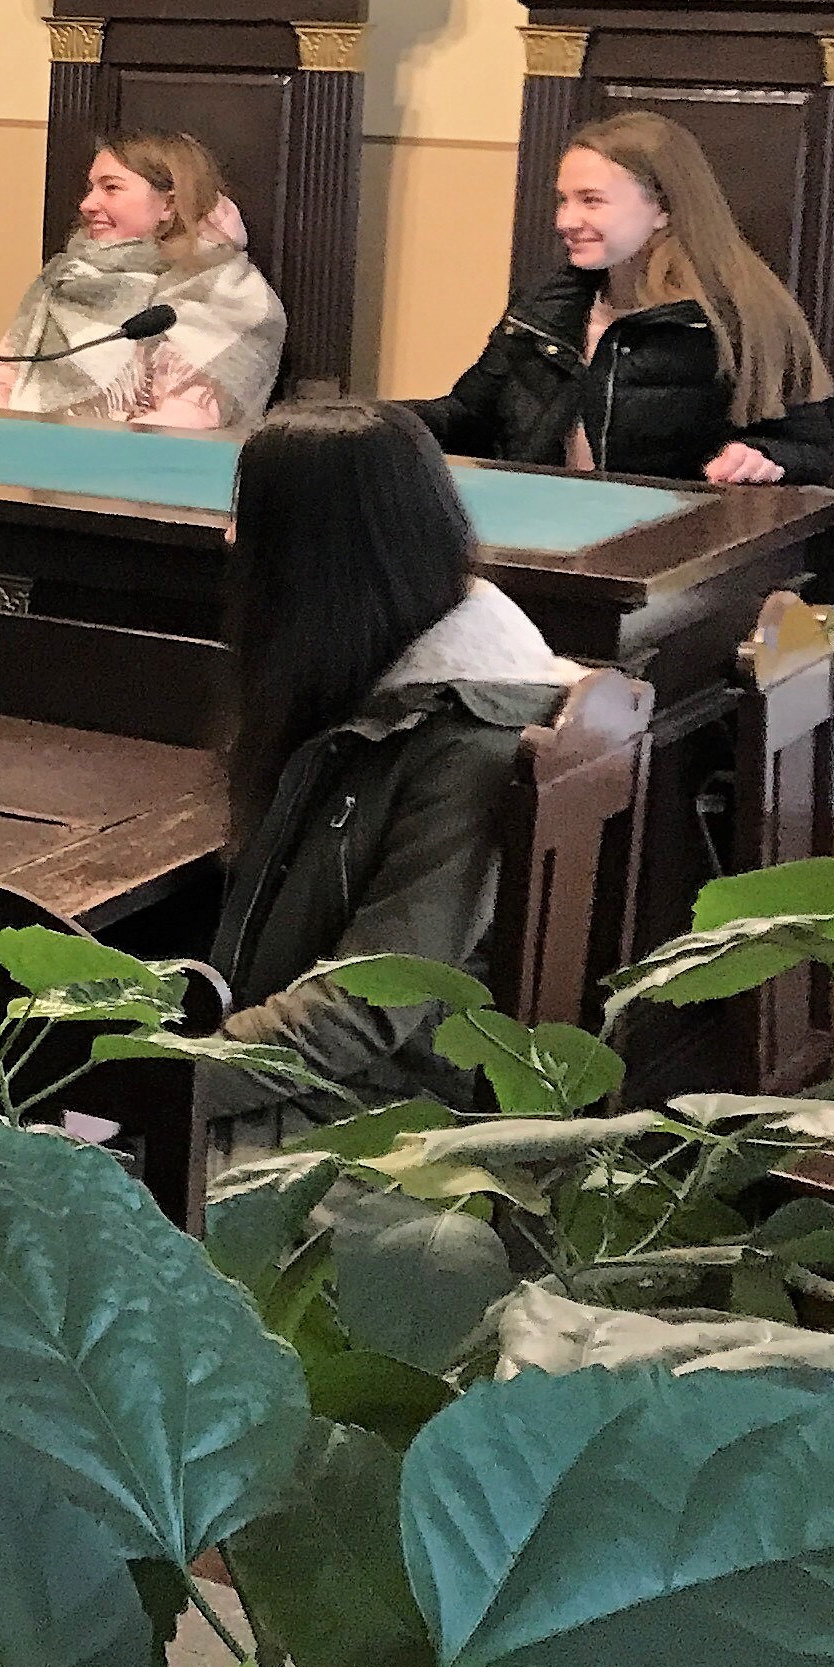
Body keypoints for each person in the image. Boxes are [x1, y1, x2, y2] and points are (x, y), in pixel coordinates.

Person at [197, 400, 584, 1147]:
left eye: (255, 521)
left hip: (381, 1121)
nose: (231, 538)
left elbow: (367, 1007)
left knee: (42, 1162)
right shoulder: (379, 673)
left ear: (318, 557)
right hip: (305, 1073)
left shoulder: (468, 742)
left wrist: (163, 1077)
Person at [408, 110, 834, 484]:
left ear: (663, 208)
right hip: (539, 525)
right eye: (563, 201)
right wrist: (382, 421)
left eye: (591, 201)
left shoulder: (737, 317)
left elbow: (809, 448)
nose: (565, 221)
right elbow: (469, 418)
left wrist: (762, 457)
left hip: (669, 538)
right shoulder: (543, 307)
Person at [0, 132, 286, 433]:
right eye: (91, 188)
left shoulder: (225, 291)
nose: (87, 204)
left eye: (111, 188)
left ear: (169, 204)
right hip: (25, 456)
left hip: (135, 468)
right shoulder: (66, 277)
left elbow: (191, 416)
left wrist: (75, 453)